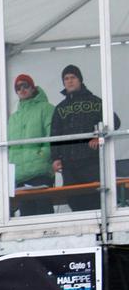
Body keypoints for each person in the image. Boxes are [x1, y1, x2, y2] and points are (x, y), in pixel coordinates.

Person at [50, 64, 120, 211]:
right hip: (69, 163)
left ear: (80, 80)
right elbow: (55, 134)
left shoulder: (95, 102)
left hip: (91, 161)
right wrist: (55, 158)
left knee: (95, 198)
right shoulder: (60, 108)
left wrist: (99, 138)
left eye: (73, 77)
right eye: (66, 78)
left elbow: (115, 122)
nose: (69, 81)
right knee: (73, 199)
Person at [7, 73, 55, 216]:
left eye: (25, 85)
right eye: (18, 87)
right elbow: (9, 145)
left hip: (40, 170)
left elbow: (52, 135)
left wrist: (42, 154)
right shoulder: (14, 117)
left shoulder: (46, 108)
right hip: (20, 174)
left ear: (33, 88)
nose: (21, 89)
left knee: (43, 211)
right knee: (26, 214)